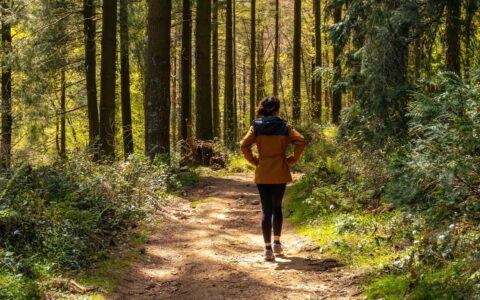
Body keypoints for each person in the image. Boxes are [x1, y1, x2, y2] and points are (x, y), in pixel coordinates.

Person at [240, 95, 306, 261]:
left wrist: (255, 161)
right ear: (277, 109)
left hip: (263, 171)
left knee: (266, 209)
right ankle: (277, 244)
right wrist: (292, 159)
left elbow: (243, 145)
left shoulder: (255, 126)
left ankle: (267, 249)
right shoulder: (284, 126)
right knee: (277, 208)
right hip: (280, 170)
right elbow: (301, 141)